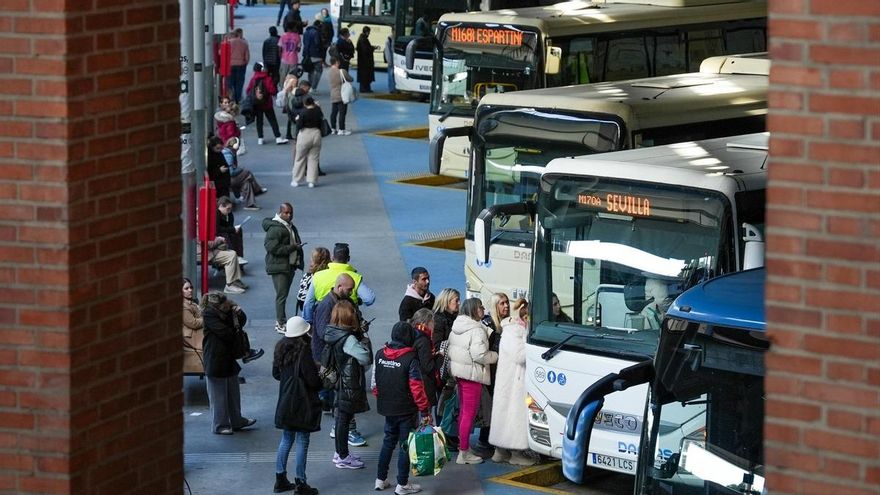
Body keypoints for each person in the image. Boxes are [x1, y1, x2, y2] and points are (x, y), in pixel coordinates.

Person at [372, 321, 431, 494]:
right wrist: (424, 410)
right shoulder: (410, 359)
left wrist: (382, 398)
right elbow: (416, 388)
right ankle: (402, 484)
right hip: (406, 410)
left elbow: (375, 382)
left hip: (387, 407)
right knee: (405, 445)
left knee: (388, 442)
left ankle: (380, 479)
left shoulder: (379, 354)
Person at [273, 316, 321, 495]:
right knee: (302, 440)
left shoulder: (280, 347)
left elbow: (276, 373)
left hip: (285, 400)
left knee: (286, 439)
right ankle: (301, 482)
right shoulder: (304, 351)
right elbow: (313, 381)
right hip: (302, 403)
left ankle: (280, 478)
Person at [448, 298, 498, 464]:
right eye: (480, 307)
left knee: (464, 412)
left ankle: (464, 447)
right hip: (472, 375)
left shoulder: (458, 326)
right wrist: (496, 356)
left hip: (460, 374)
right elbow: (480, 355)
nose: (483, 309)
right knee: (469, 414)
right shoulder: (476, 330)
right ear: (474, 310)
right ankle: (464, 453)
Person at [488, 300, 537, 466]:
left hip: (508, 380)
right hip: (515, 381)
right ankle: (516, 452)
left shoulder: (511, 330)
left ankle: (500, 451)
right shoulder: (515, 331)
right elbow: (520, 355)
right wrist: (533, 345)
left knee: (504, 413)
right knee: (515, 414)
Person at [324, 300, 373, 469]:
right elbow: (366, 357)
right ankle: (342, 456)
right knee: (344, 419)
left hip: (337, 380)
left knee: (340, 419)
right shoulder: (348, 339)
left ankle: (340, 452)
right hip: (348, 382)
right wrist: (364, 339)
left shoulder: (332, 332)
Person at [201, 292, 257, 435]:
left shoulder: (227, 311)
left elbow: (241, 323)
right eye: (224, 306)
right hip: (215, 359)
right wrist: (232, 319)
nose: (227, 307)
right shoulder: (209, 315)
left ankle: (236, 420)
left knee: (233, 392)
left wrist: (239, 313)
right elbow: (225, 332)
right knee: (218, 396)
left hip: (228, 358)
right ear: (217, 306)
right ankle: (220, 425)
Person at [472, 292, 509, 456]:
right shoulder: (488, 324)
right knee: (490, 406)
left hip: (502, 370)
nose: (506, 306)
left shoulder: (507, 324)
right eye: (502, 303)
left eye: (507, 302)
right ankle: (485, 439)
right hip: (491, 371)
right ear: (495, 306)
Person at [303, 242, 376, 322]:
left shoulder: (318, 276)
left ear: (332, 257)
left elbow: (308, 304)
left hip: (323, 319)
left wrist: (308, 323)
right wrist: (358, 301)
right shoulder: (355, 277)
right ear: (348, 258)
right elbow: (369, 299)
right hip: (348, 320)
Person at [263, 202, 305, 334]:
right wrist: (293, 248)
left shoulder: (289, 226)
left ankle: (281, 321)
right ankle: (280, 323)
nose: (289, 215)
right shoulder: (275, 229)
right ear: (280, 212)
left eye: (291, 212)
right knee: (281, 295)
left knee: (283, 294)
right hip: (280, 267)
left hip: (288, 265)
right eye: (286, 212)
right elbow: (271, 248)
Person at [431, 288, 461, 450]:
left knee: (449, 402)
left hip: (450, 366)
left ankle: (449, 434)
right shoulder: (440, 320)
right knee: (443, 402)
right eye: (455, 300)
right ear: (446, 301)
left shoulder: (453, 318)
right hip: (442, 368)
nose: (458, 303)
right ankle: (444, 436)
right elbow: (436, 346)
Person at [245, 62, 288, 145]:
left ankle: (260, 138)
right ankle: (278, 137)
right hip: (267, 103)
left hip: (256, 104)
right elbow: (272, 90)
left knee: (259, 121)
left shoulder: (253, 78)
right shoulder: (267, 78)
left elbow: (248, 90)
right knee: (272, 120)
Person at [410, 308, 442, 411]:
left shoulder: (411, 334)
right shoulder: (424, 340)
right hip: (424, 387)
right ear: (427, 322)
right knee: (425, 422)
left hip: (413, 385)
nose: (434, 325)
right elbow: (428, 366)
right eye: (433, 322)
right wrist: (439, 357)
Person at [223, 137, 266, 210]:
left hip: (227, 179)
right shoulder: (229, 156)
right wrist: (240, 170)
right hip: (228, 179)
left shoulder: (228, 153)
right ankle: (257, 190)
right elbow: (231, 172)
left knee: (247, 182)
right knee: (247, 173)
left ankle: (250, 204)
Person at [291, 96, 324, 188]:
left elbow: (299, 126)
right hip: (316, 134)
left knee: (300, 158)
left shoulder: (303, 112)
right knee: (313, 158)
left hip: (305, 134)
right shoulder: (318, 111)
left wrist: (297, 119)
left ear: (305, 104)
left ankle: (296, 180)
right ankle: (311, 181)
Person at [296, 246, 330, 316]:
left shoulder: (307, 275)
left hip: (304, 308)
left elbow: (301, 296)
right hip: (318, 309)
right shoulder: (324, 275)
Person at [183, 278, 205, 375]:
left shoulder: (190, 302)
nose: (190, 290)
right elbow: (193, 323)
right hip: (191, 336)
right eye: (186, 288)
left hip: (195, 331)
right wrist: (208, 319)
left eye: (191, 287)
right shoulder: (183, 306)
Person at [327, 57, 354, 136]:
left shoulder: (328, 72)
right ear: (336, 62)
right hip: (342, 95)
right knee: (342, 113)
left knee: (334, 112)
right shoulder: (342, 71)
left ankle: (333, 128)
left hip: (333, 94)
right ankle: (341, 129)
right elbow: (350, 79)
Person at [216, 196, 246, 261]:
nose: (229, 211)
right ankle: (233, 256)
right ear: (221, 206)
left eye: (230, 209)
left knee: (237, 232)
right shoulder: (216, 213)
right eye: (228, 209)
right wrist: (233, 229)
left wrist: (229, 215)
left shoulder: (227, 214)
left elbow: (230, 225)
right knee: (225, 234)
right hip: (218, 233)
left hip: (223, 230)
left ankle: (239, 256)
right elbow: (218, 229)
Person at [302, 18, 326, 93]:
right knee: (319, 71)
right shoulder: (316, 32)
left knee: (311, 71)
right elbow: (317, 44)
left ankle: (310, 86)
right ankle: (313, 87)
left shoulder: (306, 32)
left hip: (307, 54)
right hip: (316, 55)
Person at [227, 29, 250, 103]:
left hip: (230, 65)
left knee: (230, 82)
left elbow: (222, 53)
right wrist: (245, 63)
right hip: (241, 65)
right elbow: (247, 57)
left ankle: (232, 98)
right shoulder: (244, 43)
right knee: (239, 83)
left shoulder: (228, 43)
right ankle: (238, 98)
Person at [278, 22, 302, 89]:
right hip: (293, 59)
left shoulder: (283, 36)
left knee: (283, 76)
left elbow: (279, 48)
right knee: (293, 76)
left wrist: (281, 56)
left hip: (284, 59)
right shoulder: (297, 36)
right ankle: (291, 89)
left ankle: (282, 89)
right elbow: (299, 49)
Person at [356, 27, 376, 93]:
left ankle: (365, 88)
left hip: (363, 61)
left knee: (364, 75)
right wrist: (372, 48)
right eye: (369, 32)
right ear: (366, 32)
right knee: (365, 75)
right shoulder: (363, 39)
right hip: (365, 61)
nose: (369, 33)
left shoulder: (362, 38)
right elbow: (366, 50)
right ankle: (365, 88)